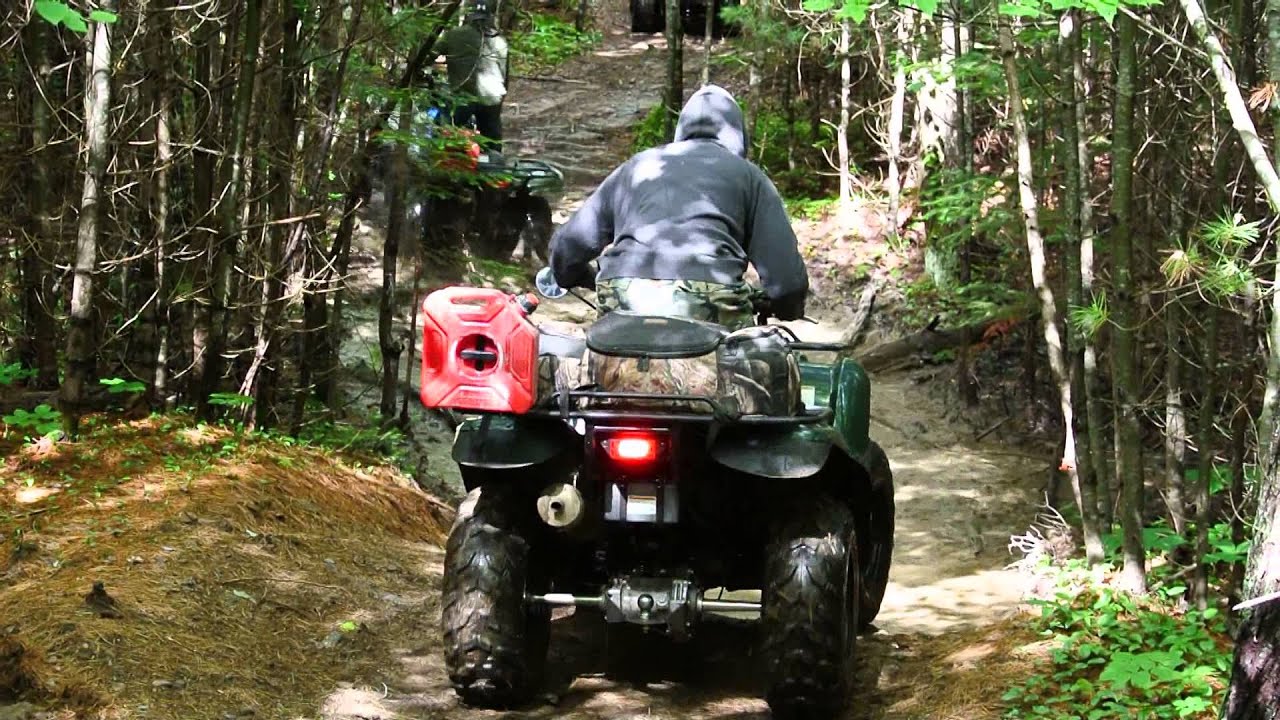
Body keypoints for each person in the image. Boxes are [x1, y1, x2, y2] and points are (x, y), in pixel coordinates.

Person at [547, 84, 808, 330]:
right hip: (714, 300)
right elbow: (787, 282)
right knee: (765, 362)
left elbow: (567, 247)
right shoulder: (750, 177)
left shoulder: (636, 167)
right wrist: (786, 308)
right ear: (739, 134)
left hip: (623, 299)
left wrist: (575, 277)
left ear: (681, 128)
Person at [433, 0, 509, 152]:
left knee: (443, 128)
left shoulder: (454, 35)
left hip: (463, 97)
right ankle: (493, 167)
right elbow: (505, 76)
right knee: (492, 139)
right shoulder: (499, 40)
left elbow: (430, 56)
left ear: (468, 14)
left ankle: (444, 163)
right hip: (492, 96)